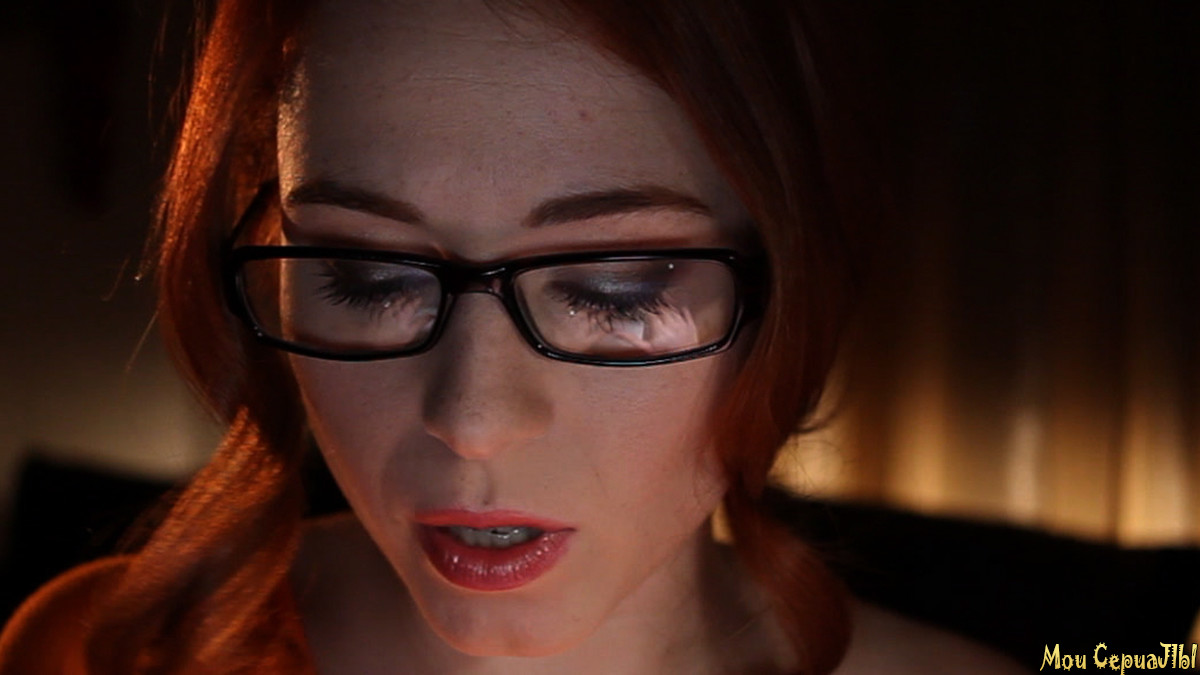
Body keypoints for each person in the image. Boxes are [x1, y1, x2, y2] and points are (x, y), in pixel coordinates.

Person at [0, 0, 1027, 673]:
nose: (474, 420)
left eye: (615, 291)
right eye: (366, 275)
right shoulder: (106, 652)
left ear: (792, 287)